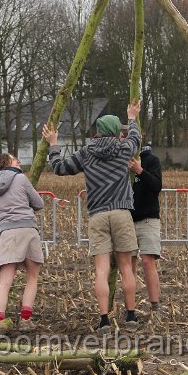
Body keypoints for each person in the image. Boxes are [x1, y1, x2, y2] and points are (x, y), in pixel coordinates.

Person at [43, 100, 141, 333]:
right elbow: (135, 138)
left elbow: (59, 168)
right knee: (126, 266)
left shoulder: (87, 153)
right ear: (117, 132)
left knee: (101, 270)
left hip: (97, 215)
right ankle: (131, 316)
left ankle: (104, 320)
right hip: (121, 212)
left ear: (97, 132)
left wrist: (54, 144)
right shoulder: (124, 148)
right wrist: (132, 118)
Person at [0, 153, 44, 331]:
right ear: (6, 163)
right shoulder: (21, 178)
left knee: (5, 283)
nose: (18, 160)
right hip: (28, 230)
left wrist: (3, 231)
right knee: (32, 277)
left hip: (8, 234)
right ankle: (26, 321)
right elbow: (39, 203)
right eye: (14, 159)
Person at [128, 142, 163, 317]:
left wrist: (140, 170)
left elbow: (157, 186)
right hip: (127, 220)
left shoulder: (152, 161)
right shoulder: (122, 161)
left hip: (148, 219)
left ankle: (155, 306)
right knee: (129, 264)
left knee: (148, 261)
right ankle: (130, 309)